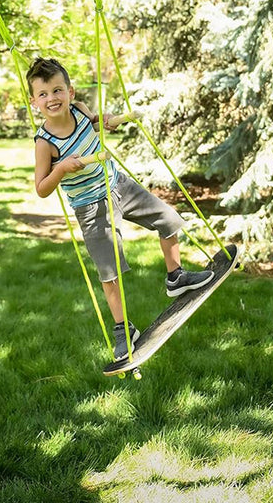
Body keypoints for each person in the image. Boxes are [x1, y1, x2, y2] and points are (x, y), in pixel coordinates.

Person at [27, 57, 216, 361]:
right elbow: (42, 188)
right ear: (34, 101)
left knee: (168, 219)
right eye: (44, 94)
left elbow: (94, 122)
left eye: (58, 90)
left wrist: (111, 119)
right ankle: (122, 329)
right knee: (109, 268)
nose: (52, 98)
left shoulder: (78, 109)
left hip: (119, 185)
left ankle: (176, 276)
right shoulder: (44, 142)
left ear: (70, 92)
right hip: (90, 207)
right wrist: (61, 169)